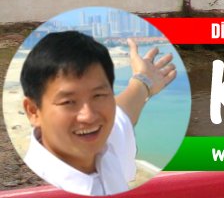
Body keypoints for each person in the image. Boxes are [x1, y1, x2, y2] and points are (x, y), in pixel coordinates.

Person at [20, 31, 177, 195]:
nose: (88, 116)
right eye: (68, 102)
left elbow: (123, 114)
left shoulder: (104, 146)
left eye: (98, 95)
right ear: (33, 111)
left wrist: (144, 81)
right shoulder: (39, 188)